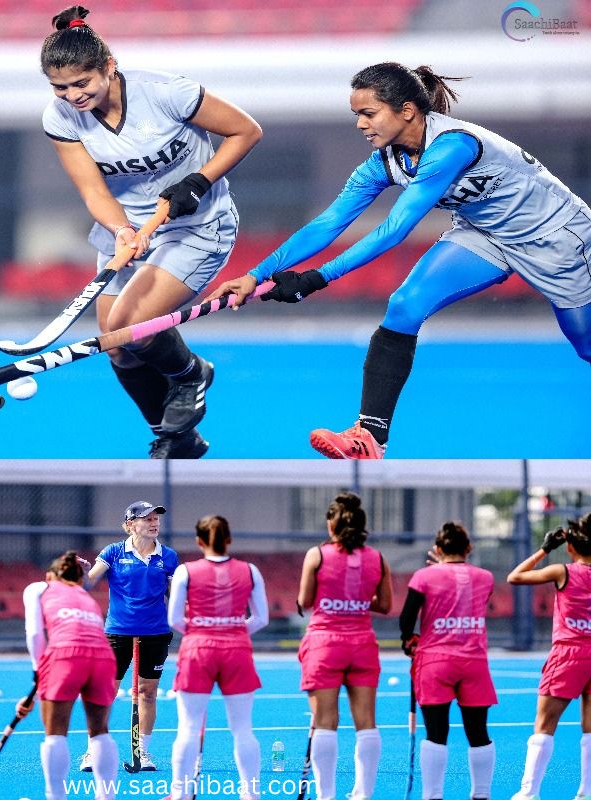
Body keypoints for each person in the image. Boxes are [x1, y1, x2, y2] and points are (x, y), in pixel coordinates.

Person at [208, 61, 591, 459]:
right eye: (356, 114)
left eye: (368, 113)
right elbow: (327, 223)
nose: (360, 124)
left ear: (407, 110)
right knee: (405, 305)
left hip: (555, 236)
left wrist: (317, 278)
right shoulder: (385, 162)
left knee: (585, 344)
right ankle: (369, 437)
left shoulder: (451, 146)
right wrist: (255, 275)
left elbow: (395, 228)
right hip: (484, 234)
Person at [40, 5, 262, 459]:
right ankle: (175, 436)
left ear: (108, 66)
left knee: (132, 331)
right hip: (126, 232)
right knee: (118, 350)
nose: (72, 95)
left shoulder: (165, 93)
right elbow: (93, 190)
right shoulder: (60, 117)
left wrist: (197, 182)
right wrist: (122, 229)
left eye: (82, 83)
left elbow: (246, 131)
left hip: (197, 226)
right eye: (60, 87)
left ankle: (192, 374)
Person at [296, 492, 393, 800]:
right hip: (362, 643)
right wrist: (358, 600)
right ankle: (364, 794)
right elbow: (386, 604)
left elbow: (305, 600)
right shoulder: (377, 558)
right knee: (366, 722)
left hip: (325, 643)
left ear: (331, 524)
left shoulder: (318, 554)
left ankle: (327, 795)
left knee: (325, 722)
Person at [165, 515, 269, 800]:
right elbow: (261, 618)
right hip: (236, 649)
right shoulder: (250, 571)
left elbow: (174, 619)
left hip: (198, 648)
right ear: (229, 539)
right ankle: (251, 794)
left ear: (199, 542)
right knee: (243, 728)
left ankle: (180, 794)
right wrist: (233, 629)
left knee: (187, 727)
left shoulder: (186, 571)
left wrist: (202, 630)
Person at [399, 522, 497, 800]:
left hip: (435, 662)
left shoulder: (423, 576)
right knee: (478, 731)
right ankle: (481, 794)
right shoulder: (486, 577)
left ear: (438, 548)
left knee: (436, 733)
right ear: (468, 548)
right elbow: (467, 594)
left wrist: (408, 641)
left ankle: (432, 795)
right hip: (474, 662)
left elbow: (407, 618)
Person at [80, 500, 180, 771]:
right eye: (146, 518)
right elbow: (89, 581)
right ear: (129, 525)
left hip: (156, 632)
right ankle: (93, 750)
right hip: (118, 632)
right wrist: (81, 573)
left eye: (156, 518)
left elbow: (175, 595)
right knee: (106, 691)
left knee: (148, 693)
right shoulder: (113, 552)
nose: (153, 522)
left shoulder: (168, 556)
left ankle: (142, 752)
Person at [17, 551, 119, 800]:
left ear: (50, 574)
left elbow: (34, 634)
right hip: (104, 656)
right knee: (99, 730)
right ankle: (106, 796)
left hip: (66, 655)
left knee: (55, 732)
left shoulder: (38, 588)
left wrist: (37, 675)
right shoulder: (86, 596)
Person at [507, 513, 591, 800]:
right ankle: (586, 791)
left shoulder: (562, 571)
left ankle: (529, 793)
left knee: (544, 724)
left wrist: (544, 549)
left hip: (569, 653)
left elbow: (514, 577)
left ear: (570, 547)